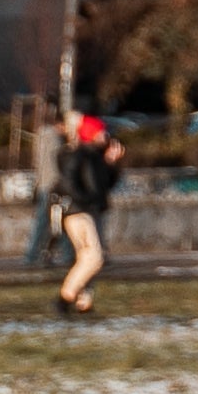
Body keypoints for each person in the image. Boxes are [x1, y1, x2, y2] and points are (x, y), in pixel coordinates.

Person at [51, 111, 121, 318]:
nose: (105, 136)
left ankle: (84, 302)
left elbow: (106, 186)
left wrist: (112, 164)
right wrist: (85, 201)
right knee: (94, 257)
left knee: (87, 258)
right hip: (79, 212)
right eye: (100, 132)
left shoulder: (96, 156)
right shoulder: (78, 154)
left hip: (90, 210)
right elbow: (69, 183)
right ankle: (65, 298)